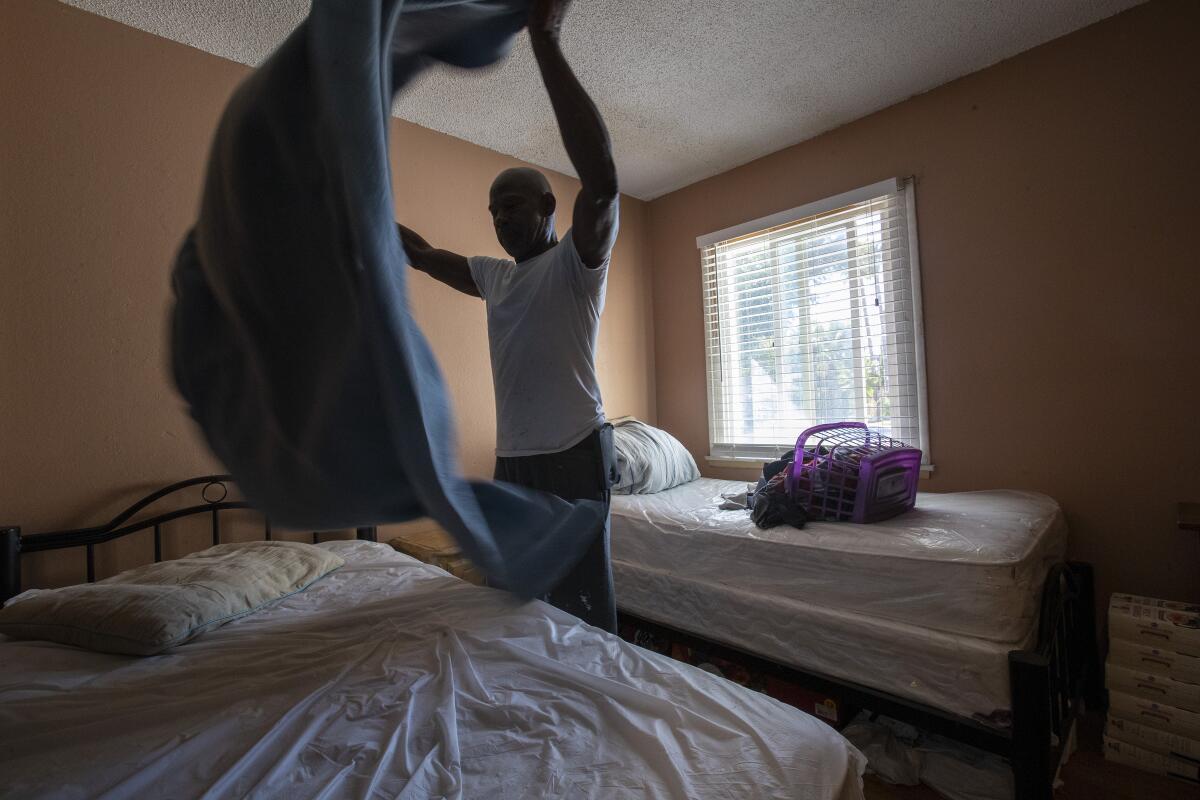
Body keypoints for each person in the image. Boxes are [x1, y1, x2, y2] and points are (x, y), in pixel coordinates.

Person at [396, 0, 619, 632]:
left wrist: (545, 41)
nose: (499, 220)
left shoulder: (575, 264)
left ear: (548, 206)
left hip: (576, 449)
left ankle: (594, 703)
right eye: (492, 212)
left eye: (512, 205)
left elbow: (602, 187)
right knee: (511, 600)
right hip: (515, 455)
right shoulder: (496, 278)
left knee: (578, 605)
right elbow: (418, 252)